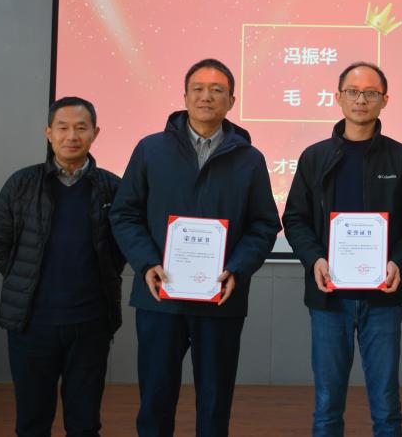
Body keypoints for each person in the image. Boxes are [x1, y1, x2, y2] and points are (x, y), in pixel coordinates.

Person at [110, 58, 280, 437]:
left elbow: (265, 224)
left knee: (215, 404)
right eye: (198, 89)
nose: (207, 97)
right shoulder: (150, 150)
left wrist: (237, 268)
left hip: (220, 298)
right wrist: (146, 262)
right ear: (184, 96)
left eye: (217, 90)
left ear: (231, 101)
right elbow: (124, 214)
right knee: (155, 400)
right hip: (159, 297)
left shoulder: (249, 159)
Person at [283, 61, 402, 437]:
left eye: (370, 93)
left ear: (385, 100)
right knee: (327, 406)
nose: (360, 99)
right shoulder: (315, 157)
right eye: (352, 92)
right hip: (329, 298)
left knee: (386, 406)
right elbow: (295, 219)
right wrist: (315, 259)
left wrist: (398, 261)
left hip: (382, 298)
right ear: (338, 97)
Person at [0, 96, 123, 437]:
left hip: (91, 323)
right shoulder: (22, 184)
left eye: (81, 128)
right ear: (49, 133)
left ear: (95, 133)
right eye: (62, 128)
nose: (71, 136)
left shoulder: (112, 187)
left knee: (84, 423)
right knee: (32, 423)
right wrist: (25, 278)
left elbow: (121, 248)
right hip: (31, 323)